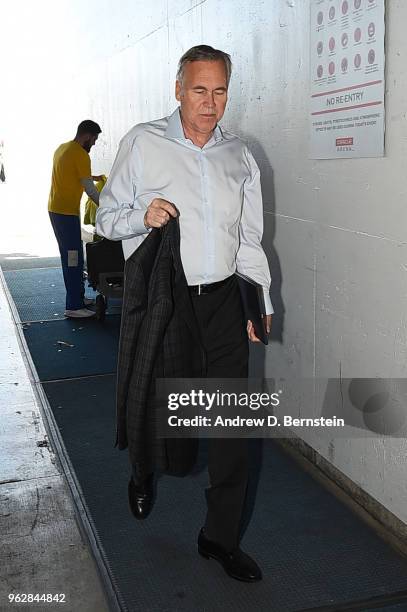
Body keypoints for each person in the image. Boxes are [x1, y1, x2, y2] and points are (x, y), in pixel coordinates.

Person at [96, 45, 273, 582]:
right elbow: (106, 219)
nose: (210, 103)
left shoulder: (239, 154)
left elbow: (248, 238)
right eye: (199, 90)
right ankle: (143, 470)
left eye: (219, 91)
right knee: (152, 403)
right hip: (164, 302)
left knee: (232, 426)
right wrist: (141, 215)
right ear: (178, 90)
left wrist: (255, 299)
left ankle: (218, 537)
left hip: (222, 303)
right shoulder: (144, 142)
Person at [48, 120, 104, 318]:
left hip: (57, 210)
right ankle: (73, 306)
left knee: (73, 256)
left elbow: (71, 174)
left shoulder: (63, 148)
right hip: (66, 214)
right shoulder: (81, 155)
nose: (94, 143)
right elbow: (90, 191)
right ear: (87, 135)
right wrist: (108, 207)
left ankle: (78, 297)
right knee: (73, 259)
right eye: (94, 139)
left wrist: (92, 177)